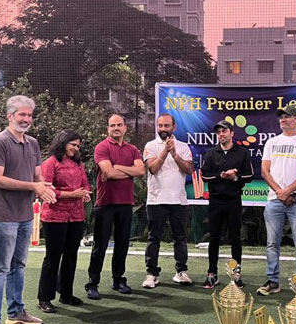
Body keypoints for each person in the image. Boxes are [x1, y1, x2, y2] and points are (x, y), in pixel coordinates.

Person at [0, 95, 56, 324]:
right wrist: (34, 187)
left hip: (25, 216)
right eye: (21, 114)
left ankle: (16, 312)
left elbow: (37, 176)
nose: (26, 119)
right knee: (0, 268)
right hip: (3, 216)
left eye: (29, 115)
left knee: (18, 266)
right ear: (10, 116)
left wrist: (44, 188)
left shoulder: (32, 143)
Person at [257, 105, 296, 298]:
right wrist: (280, 192)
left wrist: (287, 191)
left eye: (287, 116)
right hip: (274, 199)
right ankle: (273, 281)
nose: (283, 119)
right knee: (272, 243)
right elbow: (264, 171)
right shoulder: (271, 142)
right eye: (281, 117)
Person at [85, 114, 145, 299]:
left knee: (122, 245)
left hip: (125, 204)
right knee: (100, 246)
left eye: (119, 125)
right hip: (105, 203)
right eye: (112, 125)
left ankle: (118, 280)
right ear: (108, 128)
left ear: (125, 128)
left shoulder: (133, 149)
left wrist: (118, 167)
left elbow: (141, 170)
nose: (116, 128)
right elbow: (109, 173)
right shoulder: (101, 147)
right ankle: (92, 283)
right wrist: (127, 171)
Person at [36, 130, 91, 313]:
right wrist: (72, 194)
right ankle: (44, 298)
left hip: (76, 215)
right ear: (62, 143)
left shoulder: (78, 164)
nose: (76, 148)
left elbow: (85, 183)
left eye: (78, 146)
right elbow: (46, 190)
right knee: (53, 257)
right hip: (55, 216)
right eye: (73, 145)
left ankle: (66, 293)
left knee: (71, 255)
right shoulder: (50, 163)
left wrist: (85, 193)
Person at [142, 114, 194, 288]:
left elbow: (189, 169)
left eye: (166, 126)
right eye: (160, 126)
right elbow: (153, 168)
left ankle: (181, 272)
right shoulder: (150, 146)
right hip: (156, 200)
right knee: (154, 238)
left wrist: (175, 155)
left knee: (180, 238)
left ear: (174, 127)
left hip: (179, 200)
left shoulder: (183, 147)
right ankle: (152, 274)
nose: (163, 129)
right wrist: (165, 151)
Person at [200, 120, 253, 289]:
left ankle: (236, 274)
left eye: (224, 131)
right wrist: (221, 176)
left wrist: (235, 177)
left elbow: (249, 176)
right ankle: (212, 274)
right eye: (218, 132)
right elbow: (204, 176)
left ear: (232, 133)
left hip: (233, 201)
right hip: (216, 201)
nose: (221, 135)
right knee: (214, 238)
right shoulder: (211, 153)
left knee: (235, 238)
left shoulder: (242, 152)